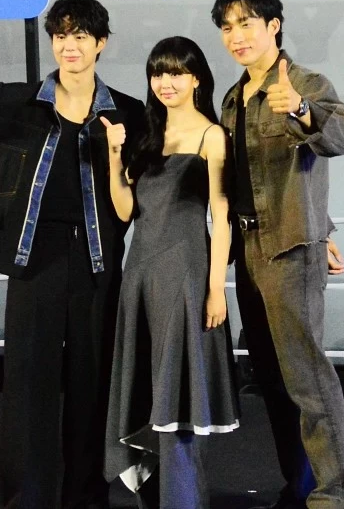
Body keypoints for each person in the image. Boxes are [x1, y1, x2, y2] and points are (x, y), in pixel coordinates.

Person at [0, 0, 144, 509]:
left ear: (101, 43)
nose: (70, 45)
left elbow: (143, 191)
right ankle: (28, 496)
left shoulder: (127, 111)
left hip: (97, 263)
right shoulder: (13, 101)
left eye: (81, 36)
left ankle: (88, 496)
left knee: (92, 388)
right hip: (33, 259)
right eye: (61, 36)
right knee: (29, 385)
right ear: (52, 42)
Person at [211, 0, 344, 508]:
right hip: (249, 251)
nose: (236, 36)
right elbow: (251, 178)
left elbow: (340, 139)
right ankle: (299, 486)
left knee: (307, 377)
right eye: (227, 27)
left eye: (246, 23)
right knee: (273, 380)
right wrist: (327, 224)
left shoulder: (304, 82)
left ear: (274, 25)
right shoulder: (233, 99)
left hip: (290, 249)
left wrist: (300, 109)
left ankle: (339, 492)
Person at [101, 36, 239, 509]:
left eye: (176, 72)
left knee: (178, 398)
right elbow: (124, 211)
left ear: (196, 77)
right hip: (139, 274)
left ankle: (182, 501)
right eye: (158, 73)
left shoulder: (212, 136)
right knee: (146, 391)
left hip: (185, 275)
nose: (165, 82)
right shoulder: (145, 134)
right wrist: (116, 158)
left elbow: (220, 216)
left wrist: (216, 288)